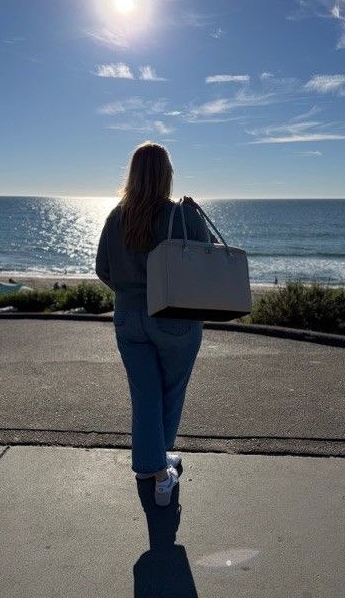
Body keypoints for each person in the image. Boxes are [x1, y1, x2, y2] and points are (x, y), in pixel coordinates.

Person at [95, 141, 218, 507]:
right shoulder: (181, 214)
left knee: (144, 394)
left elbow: (103, 269)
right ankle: (160, 470)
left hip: (129, 318)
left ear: (132, 174)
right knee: (170, 391)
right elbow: (208, 259)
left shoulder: (116, 216)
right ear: (167, 175)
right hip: (175, 319)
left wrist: (129, 289)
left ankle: (153, 463)